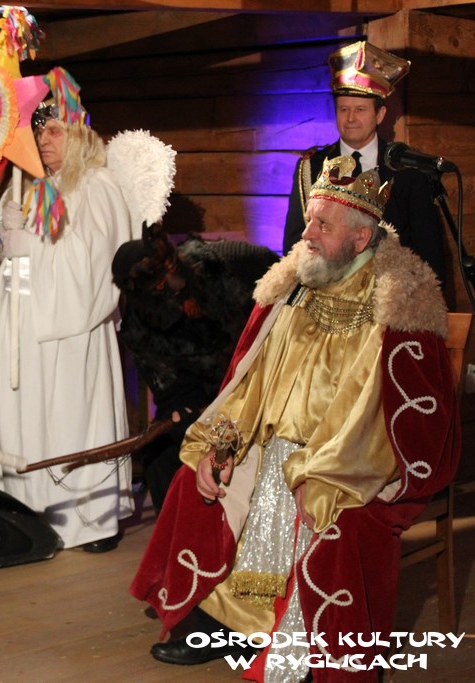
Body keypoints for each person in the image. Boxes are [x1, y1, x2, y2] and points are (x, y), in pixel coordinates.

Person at [131, 154, 458, 681]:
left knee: (326, 514)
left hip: (348, 460)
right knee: (195, 478)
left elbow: (374, 415)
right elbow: (251, 383)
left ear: (359, 237)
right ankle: (223, 625)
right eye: (309, 220)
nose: (306, 234)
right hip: (273, 443)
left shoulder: (394, 302)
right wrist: (223, 444)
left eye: (322, 225)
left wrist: (322, 470)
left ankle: (301, 648)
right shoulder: (297, 286)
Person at [0, 88, 135, 553]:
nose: (43, 140)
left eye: (55, 131)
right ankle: (30, 512)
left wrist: (32, 246)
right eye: (39, 131)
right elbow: (10, 271)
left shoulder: (97, 187)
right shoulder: (26, 188)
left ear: (79, 134)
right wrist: (0, 242)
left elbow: (95, 264)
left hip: (73, 332)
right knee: (29, 420)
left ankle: (91, 519)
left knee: (72, 416)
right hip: (28, 328)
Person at [111, 228, 276, 512]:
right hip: (208, 397)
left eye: (171, 279)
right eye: (159, 287)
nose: (172, 289)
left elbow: (278, 286)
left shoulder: (219, 263)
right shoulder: (139, 330)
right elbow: (171, 392)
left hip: (263, 376)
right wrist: (187, 415)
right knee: (161, 454)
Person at [282, 41, 446, 285]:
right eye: (343, 109)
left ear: (380, 115)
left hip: (392, 295)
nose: (350, 118)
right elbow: (293, 247)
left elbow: (429, 255)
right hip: (326, 294)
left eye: (360, 109)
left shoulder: (408, 169)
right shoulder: (311, 168)